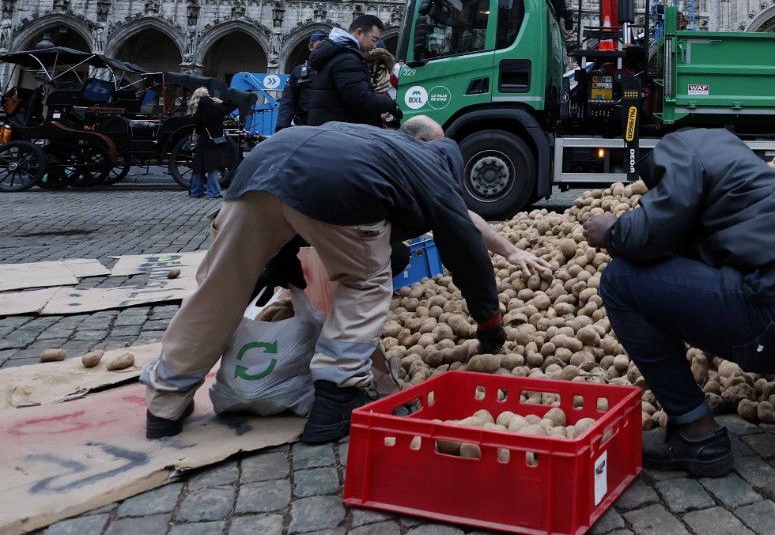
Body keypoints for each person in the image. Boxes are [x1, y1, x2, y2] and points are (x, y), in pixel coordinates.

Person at [141, 116, 547, 444]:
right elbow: (466, 249)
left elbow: (299, 187)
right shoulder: (435, 163)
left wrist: (275, 257)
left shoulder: (374, 140)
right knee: (365, 284)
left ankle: (165, 402)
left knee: (222, 287)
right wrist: (489, 324)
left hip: (263, 166)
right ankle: (335, 401)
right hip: (339, 186)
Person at [582, 129, 775, 478]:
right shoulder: (758, 183)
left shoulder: (684, 148)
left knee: (619, 280)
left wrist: (613, 230)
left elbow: (655, 228)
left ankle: (696, 432)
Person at [306, 14, 402, 128]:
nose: (374, 45)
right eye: (373, 39)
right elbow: (361, 100)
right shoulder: (347, 58)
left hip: (332, 129)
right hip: (342, 133)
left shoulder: (337, 53)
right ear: (359, 33)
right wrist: (390, 104)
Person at [275, 30, 327, 130]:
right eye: (320, 45)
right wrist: (281, 129)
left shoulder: (334, 68)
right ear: (311, 47)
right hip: (304, 125)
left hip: (328, 126)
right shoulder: (299, 72)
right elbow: (287, 102)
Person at [188, 87, 231, 199]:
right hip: (213, 142)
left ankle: (196, 192)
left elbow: (197, 130)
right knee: (212, 167)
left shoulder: (197, 111)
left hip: (202, 140)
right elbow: (233, 105)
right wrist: (222, 102)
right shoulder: (217, 110)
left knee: (198, 167)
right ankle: (213, 192)